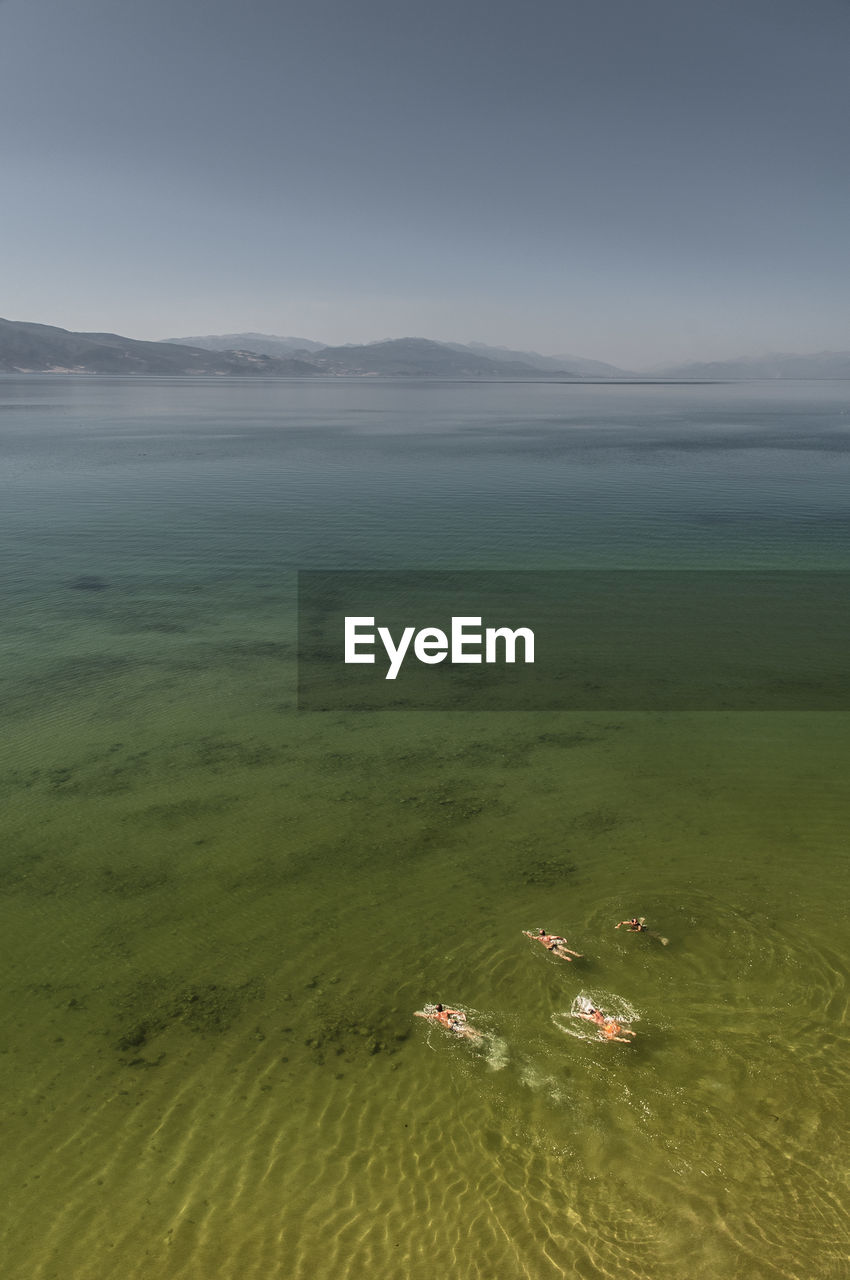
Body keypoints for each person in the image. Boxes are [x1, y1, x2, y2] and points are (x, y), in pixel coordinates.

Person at [415, 1003, 482, 1040]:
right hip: (453, 1021)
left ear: (437, 1010)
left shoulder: (436, 1015)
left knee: (465, 1033)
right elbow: (457, 1012)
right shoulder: (446, 1011)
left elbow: (427, 1016)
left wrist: (418, 1014)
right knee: (468, 1028)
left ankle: (475, 1039)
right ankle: (480, 1034)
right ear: (442, 1008)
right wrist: (463, 1015)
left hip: (450, 1026)